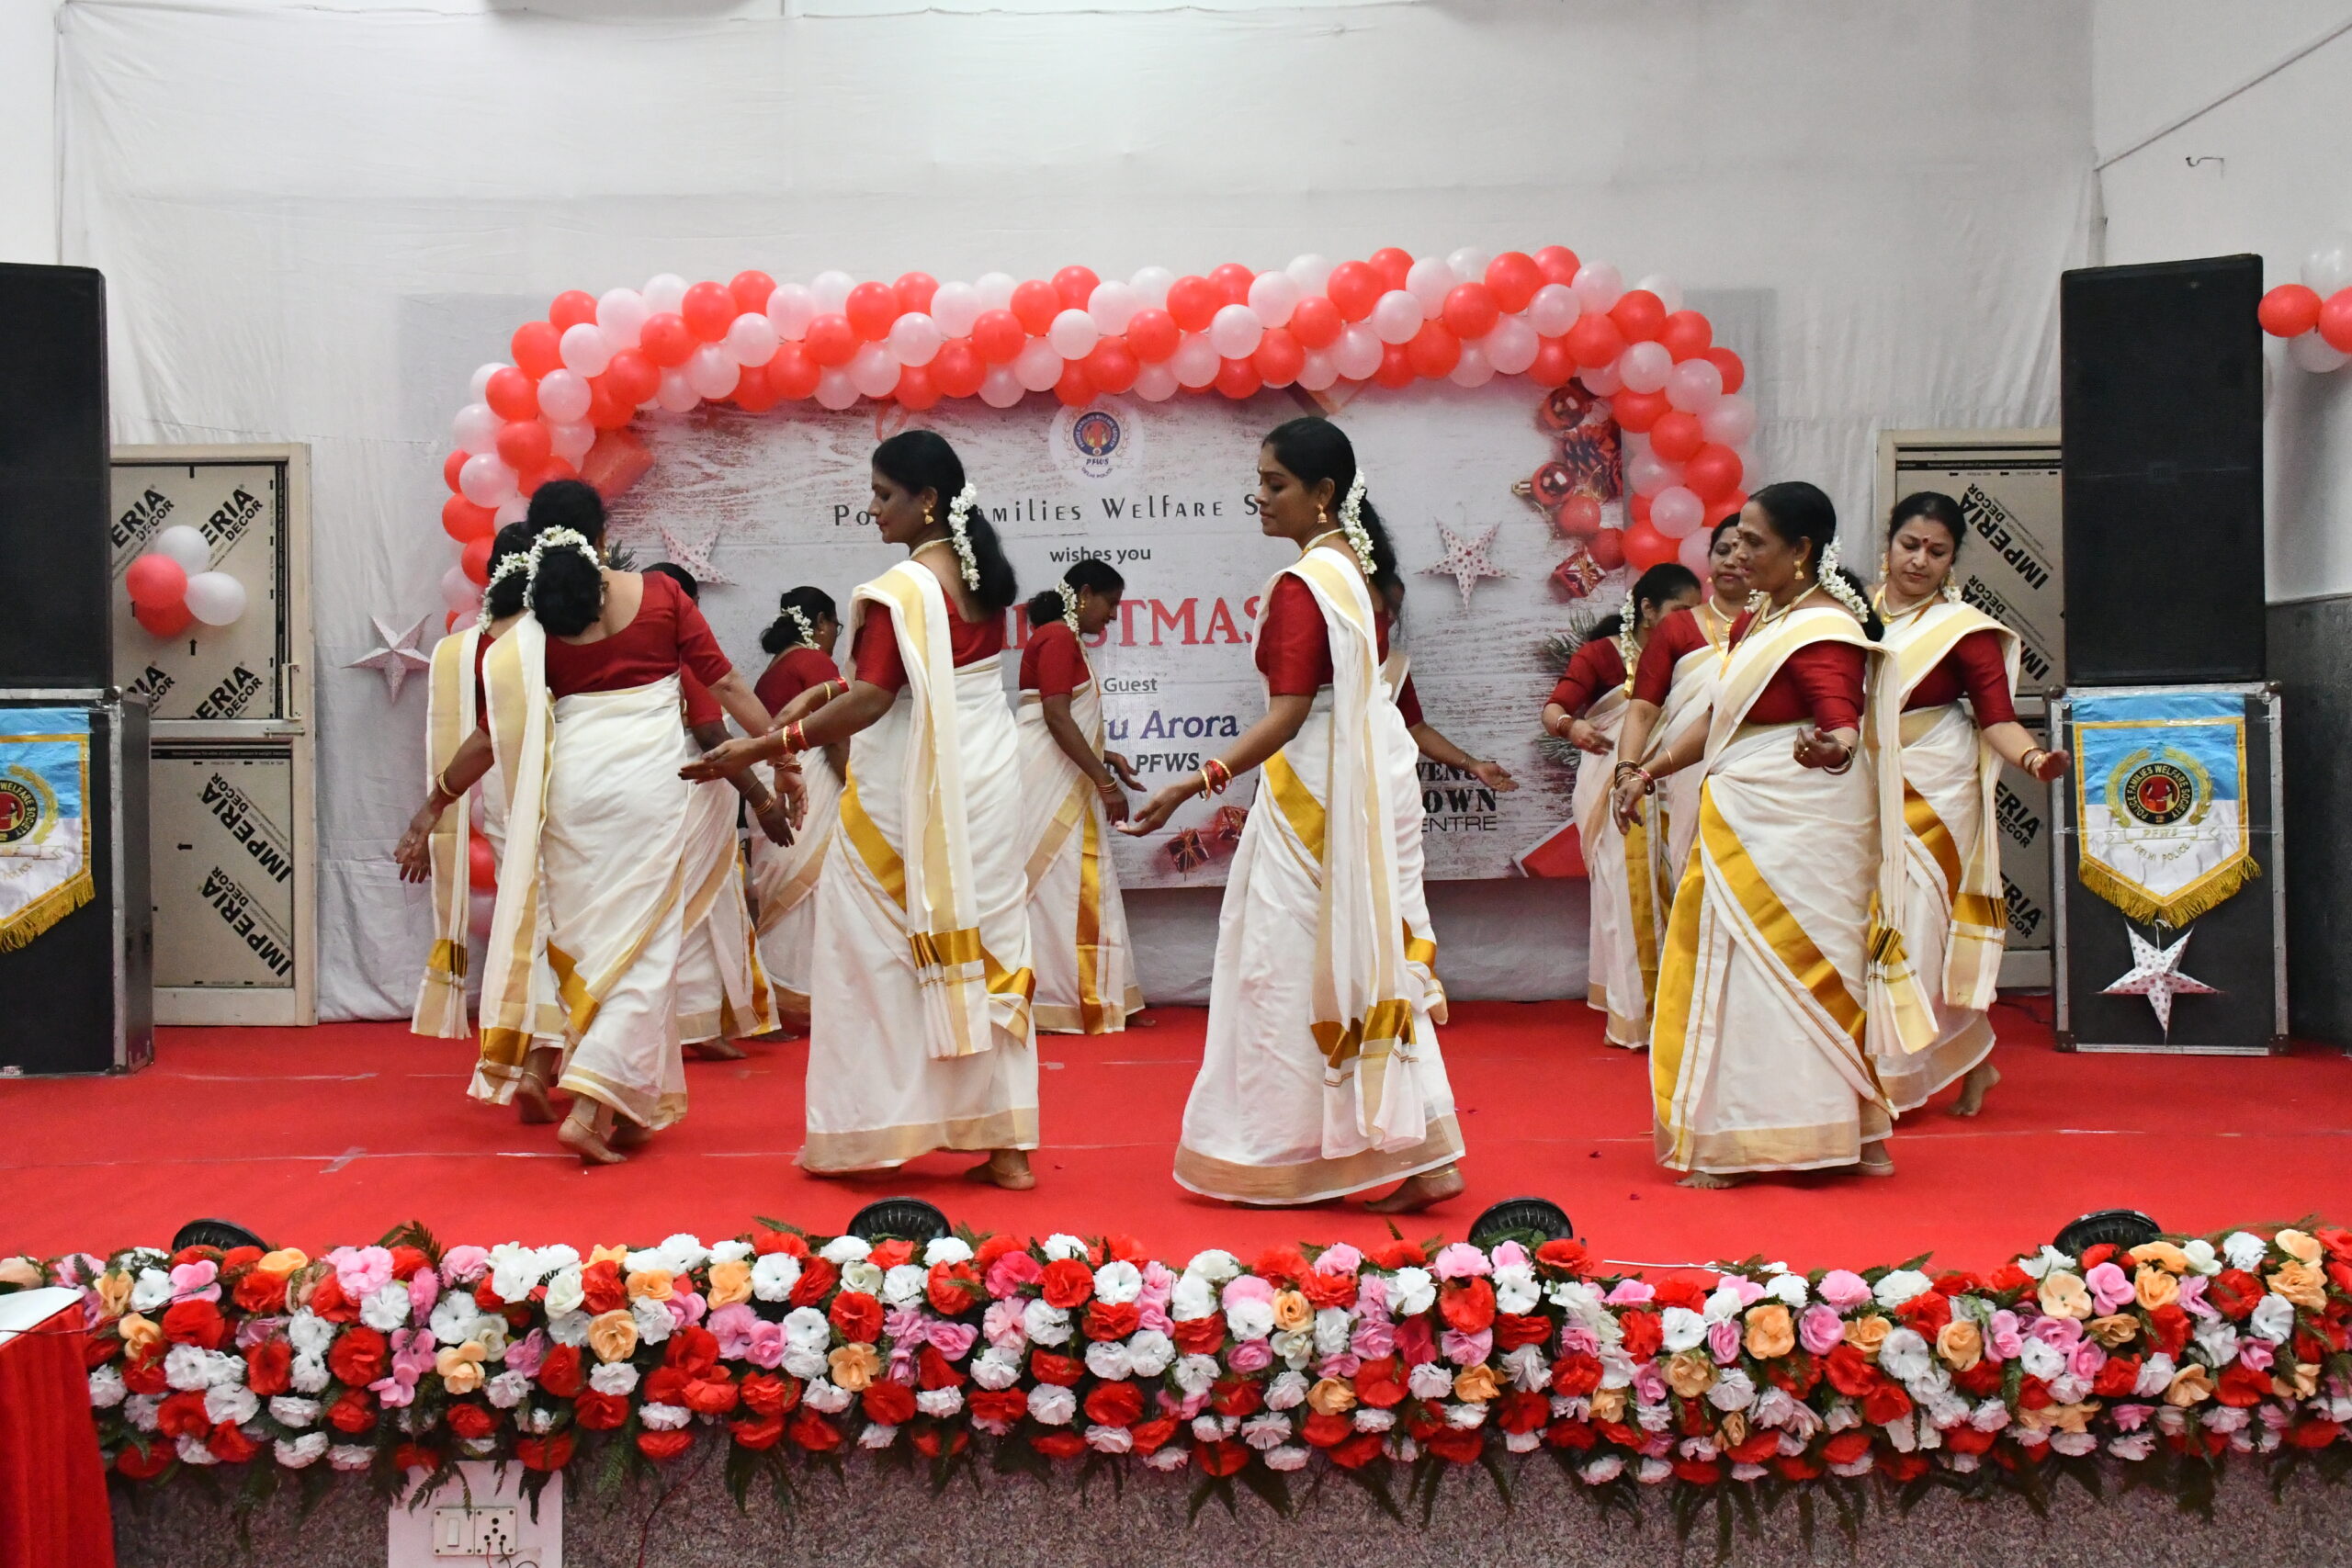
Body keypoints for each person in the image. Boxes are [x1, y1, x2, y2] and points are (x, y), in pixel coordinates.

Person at [685, 432, 1039, 1190]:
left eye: (883, 495)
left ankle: (870, 1130)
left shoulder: (899, 590)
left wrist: (763, 745)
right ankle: (1006, 1144)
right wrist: (821, 695)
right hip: (985, 777)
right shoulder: (983, 579)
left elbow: (876, 699)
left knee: (873, 956)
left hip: (907, 790)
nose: (872, 509)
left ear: (928, 501)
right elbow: (920, 683)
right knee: (987, 942)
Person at [1125, 418, 1461, 1213]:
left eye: (1275, 484)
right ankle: (1416, 1146)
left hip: (1316, 792)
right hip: (1359, 782)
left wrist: (1192, 784)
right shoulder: (1359, 576)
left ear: (1324, 493)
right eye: (1260, 482)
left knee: (1286, 968)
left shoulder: (1305, 584)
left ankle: (1307, 1149)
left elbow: (1287, 715)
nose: (1261, 498)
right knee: (1364, 958)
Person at [1611, 481, 1929, 1188]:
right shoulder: (1759, 621)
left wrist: (1829, 750)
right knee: (1742, 979)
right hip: (1746, 813)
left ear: (1801, 550)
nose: (1739, 553)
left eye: (1756, 541)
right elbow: (1719, 718)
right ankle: (1776, 1133)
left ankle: (1799, 1136)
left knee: (1785, 975)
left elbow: (1840, 723)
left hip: (1795, 826)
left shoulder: (1823, 628)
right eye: (1736, 540)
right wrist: (1647, 770)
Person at [455, 480, 775, 1165]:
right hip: (648, 791)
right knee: (647, 948)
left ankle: (632, 1107)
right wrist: (780, 749)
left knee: (591, 945)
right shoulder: (661, 595)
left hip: (570, 795)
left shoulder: (531, 627)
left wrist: (434, 800)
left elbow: (490, 735)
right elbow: (725, 685)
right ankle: (590, 1105)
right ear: (604, 533)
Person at [1871, 492, 2069, 1117]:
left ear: (1952, 559)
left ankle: (1897, 1081)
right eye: (1910, 545)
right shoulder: (1849, 616)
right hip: (1861, 785)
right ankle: (1974, 1061)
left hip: (1936, 786)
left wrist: (2034, 760)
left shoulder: (1964, 631)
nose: (1919, 560)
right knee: (1864, 929)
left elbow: (1997, 719)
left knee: (1917, 929)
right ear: (1888, 543)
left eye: (1937, 551)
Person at [401, 524, 573, 1122]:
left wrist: (433, 808)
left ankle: (528, 1055)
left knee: (526, 919)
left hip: (501, 791)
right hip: (564, 780)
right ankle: (543, 1060)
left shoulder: (471, 645)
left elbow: (481, 738)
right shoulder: (553, 633)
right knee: (567, 925)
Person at [1539, 562, 1700, 1047]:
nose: (1691, 621)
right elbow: (1554, 709)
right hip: (1616, 787)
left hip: (1680, 784)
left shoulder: (1695, 657)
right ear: (1648, 610)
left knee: (1683, 887)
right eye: (1680, 611)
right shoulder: (1602, 655)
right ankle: (1637, 1015)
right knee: (1628, 899)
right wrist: (1573, 727)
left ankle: (1685, 1012)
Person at [643, 561, 786, 1061]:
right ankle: (692, 1022)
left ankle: (691, 1021)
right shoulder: (683, 658)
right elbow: (710, 733)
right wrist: (763, 798)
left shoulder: (634, 655)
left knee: (688, 904)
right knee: (698, 905)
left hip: (658, 792)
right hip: (694, 790)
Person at [1015, 560, 1147, 1034]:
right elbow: (1054, 716)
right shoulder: (1057, 636)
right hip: (1048, 779)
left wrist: (1106, 757)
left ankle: (1087, 997)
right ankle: (1063, 1001)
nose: (1112, 616)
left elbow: (1059, 716)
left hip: (1061, 774)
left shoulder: (1063, 638)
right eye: (1111, 603)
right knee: (1061, 885)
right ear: (1085, 593)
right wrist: (1104, 782)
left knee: (1070, 883)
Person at [1617, 519, 1747, 893]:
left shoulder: (1780, 625)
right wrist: (1626, 772)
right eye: (1722, 550)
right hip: (1689, 775)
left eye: (1744, 551)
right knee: (1696, 883)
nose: (1731, 560)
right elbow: (1643, 709)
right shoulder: (1677, 628)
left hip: (1764, 776)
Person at [746, 587, 846, 1026]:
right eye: (836, 626)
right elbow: (837, 733)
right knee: (811, 887)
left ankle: (781, 996)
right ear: (821, 622)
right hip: (803, 784)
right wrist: (855, 784)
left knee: (785, 888)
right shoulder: (816, 663)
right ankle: (801, 997)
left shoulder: (773, 669)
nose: (836, 635)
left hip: (771, 782)